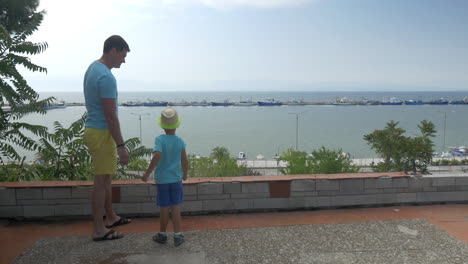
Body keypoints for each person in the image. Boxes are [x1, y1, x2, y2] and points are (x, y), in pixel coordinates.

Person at [83, 35, 132, 241]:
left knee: (107, 178)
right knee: (101, 181)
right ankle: (98, 229)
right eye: (123, 55)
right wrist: (121, 146)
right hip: (102, 133)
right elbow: (111, 116)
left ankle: (110, 217)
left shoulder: (93, 68)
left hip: (96, 130)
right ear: (113, 50)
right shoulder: (106, 77)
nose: (124, 60)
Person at [142, 107, 189, 247]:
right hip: (176, 179)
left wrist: (147, 173)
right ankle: (178, 235)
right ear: (177, 125)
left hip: (162, 180)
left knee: (164, 208)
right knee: (175, 207)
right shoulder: (180, 141)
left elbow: (157, 155)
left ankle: (162, 235)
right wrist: (185, 174)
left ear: (162, 126)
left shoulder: (160, 139)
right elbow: (184, 161)